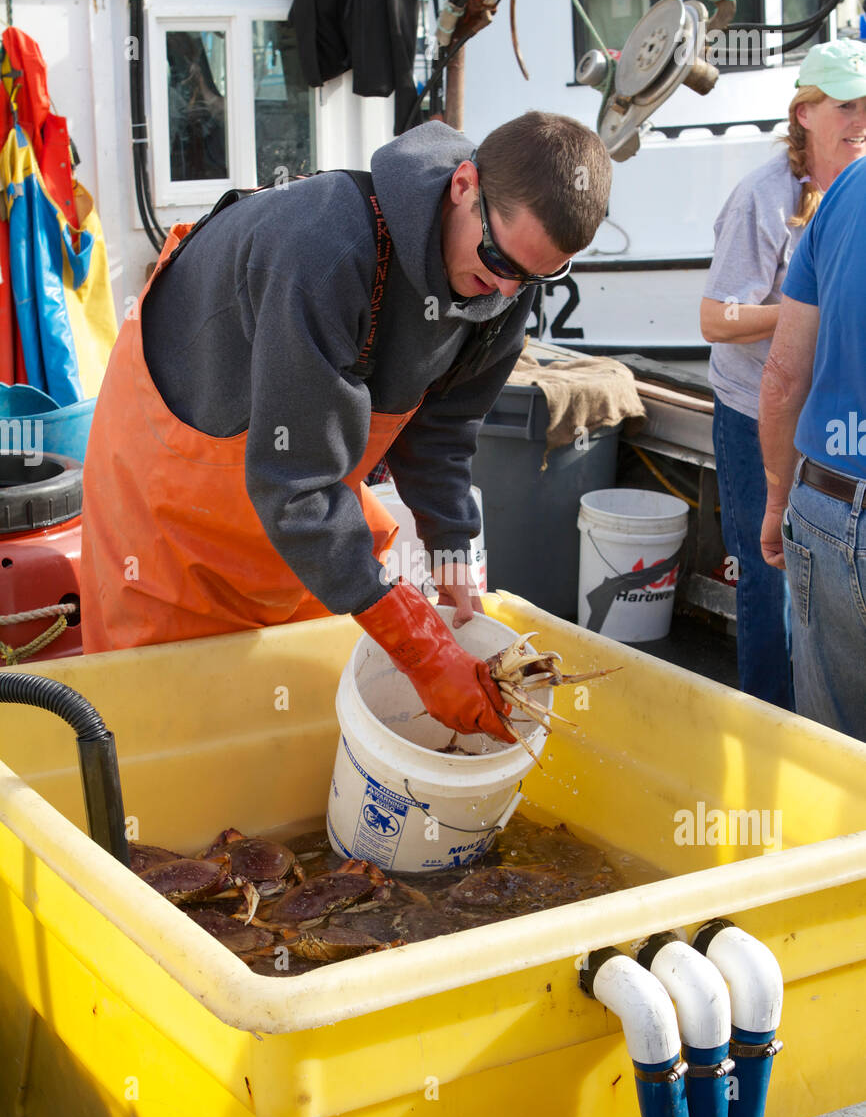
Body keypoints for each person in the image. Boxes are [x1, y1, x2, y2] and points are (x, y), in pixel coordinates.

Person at [80, 111, 611, 743]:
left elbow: (441, 433)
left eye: (534, 274)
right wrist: (419, 646)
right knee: (167, 735)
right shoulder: (323, 246)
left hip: (303, 491)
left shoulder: (504, 286)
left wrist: (452, 553)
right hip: (173, 501)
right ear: (464, 184)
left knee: (306, 720)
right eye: (497, 256)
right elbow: (296, 485)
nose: (502, 287)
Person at [699, 38, 866, 709]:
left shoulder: (852, 189)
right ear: (805, 113)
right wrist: (803, 310)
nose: (861, 120)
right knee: (766, 580)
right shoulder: (764, 198)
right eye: (847, 106)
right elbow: (714, 318)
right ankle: (767, 719)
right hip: (751, 411)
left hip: (819, 425)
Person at [759, 144, 866, 740]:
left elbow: (781, 377)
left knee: (833, 758)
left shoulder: (848, 188)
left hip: (826, 507)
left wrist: (777, 501)